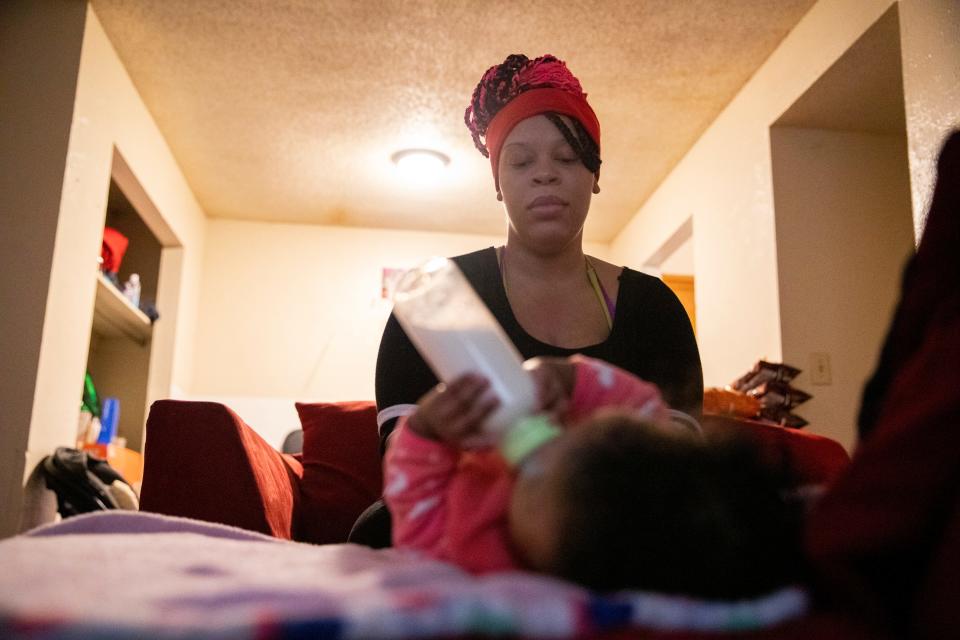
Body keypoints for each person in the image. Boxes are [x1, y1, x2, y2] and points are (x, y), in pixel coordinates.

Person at [350, 53, 703, 547]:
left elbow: (680, 454)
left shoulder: (653, 306)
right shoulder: (437, 301)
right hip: (471, 525)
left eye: (567, 157)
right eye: (521, 161)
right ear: (497, 181)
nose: (545, 175)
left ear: (595, 175)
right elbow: (405, 460)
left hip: (618, 529)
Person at [385, 355, 802, 598]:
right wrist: (568, 379)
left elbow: (413, 505)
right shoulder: (646, 458)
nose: (526, 455)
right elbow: (636, 401)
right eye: (565, 434)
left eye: (530, 481)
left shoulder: (479, 564)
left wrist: (426, 432)